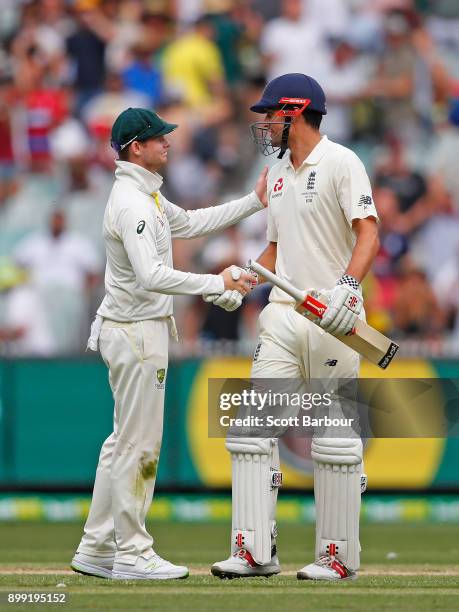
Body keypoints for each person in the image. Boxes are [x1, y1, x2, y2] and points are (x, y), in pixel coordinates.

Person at [71, 107, 267, 581]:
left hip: (138, 329)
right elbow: (151, 276)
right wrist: (215, 283)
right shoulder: (133, 203)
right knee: (139, 446)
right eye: (159, 138)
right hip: (137, 333)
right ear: (136, 148)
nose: (169, 143)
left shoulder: (148, 196)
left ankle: (96, 547)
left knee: (121, 442)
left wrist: (254, 201)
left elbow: (195, 223)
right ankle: (133, 554)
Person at [210, 73, 379, 580]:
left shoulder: (342, 161)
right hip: (282, 315)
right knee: (251, 430)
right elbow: (276, 252)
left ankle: (337, 557)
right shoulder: (278, 172)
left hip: (332, 314)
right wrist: (243, 278)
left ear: (294, 111)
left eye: (269, 114)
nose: (263, 124)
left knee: (335, 439)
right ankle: (254, 551)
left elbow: (368, 232)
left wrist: (349, 286)